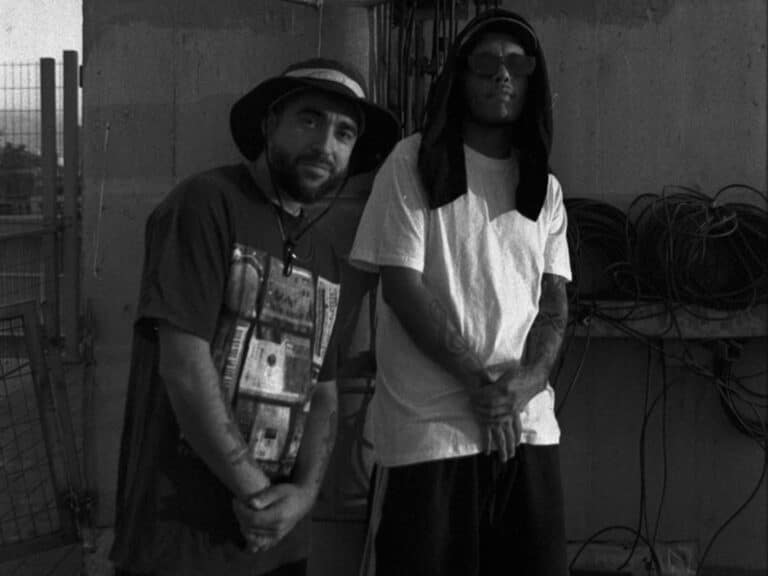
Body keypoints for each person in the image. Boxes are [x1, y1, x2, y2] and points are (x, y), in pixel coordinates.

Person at [109, 58, 399, 576]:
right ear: (269, 124)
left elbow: (324, 394)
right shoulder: (206, 205)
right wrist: (257, 494)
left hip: (278, 547)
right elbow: (183, 365)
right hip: (181, 543)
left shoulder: (325, 257)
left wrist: (303, 496)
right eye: (309, 119)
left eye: (344, 133)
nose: (325, 145)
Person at [350, 9, 571, 576]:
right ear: (458, 75)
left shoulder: (544, 188)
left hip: (528, 431)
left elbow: (553, 305)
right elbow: (402, 287)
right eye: (487, 62)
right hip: (430, 435)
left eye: (518, 64)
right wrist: (481, 385)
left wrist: (525, 385)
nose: (503, 75)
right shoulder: (413, 161)